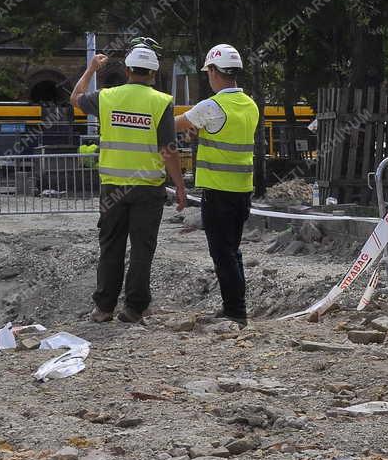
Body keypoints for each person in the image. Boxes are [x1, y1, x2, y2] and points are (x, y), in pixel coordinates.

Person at [70, 45, 187, 324]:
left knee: (111, 246)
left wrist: (90, 69)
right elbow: (168, 150)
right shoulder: (161, 102)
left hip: (113, 187)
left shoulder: (107, 97)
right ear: (154, 74)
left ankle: (103, 308)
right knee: (142, 248)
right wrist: (180, 185)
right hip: (148, 188)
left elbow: (74, 98)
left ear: (127, 71)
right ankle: (134, 308)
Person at [177, 43, 260, 326]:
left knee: (222, 253)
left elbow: (173, 124)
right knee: (232, 250)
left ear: (213, 71)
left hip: (218, 192)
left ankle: (235, 311)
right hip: (242, 191)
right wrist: (199, 133)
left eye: (208, 71)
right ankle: (235, 307)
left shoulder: (212, 105)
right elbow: (225, 136)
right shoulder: (249, 104)